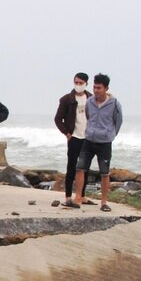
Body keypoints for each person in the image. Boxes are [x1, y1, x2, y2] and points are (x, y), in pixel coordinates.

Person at [71, 73, 123, 212]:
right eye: (94, 87)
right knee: (80, 168)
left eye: (99, 88)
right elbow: (88, 116)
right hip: (89, 140)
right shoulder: (90, 102)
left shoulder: (114, 104)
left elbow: (118, 122)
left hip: (104, 142)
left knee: (104, 173)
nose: (95, 90)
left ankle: (104, 202)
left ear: (106, 88)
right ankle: (77, 198)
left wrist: (110, 135)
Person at [54, 72, 90, 207]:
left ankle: (81, 196)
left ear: (86, 84)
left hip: (88, 138)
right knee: (72, 167)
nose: (78, 85)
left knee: (85, 168)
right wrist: (67, 133)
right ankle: (68, 196)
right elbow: (58, 119)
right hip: (74, 137)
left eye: (81, 83)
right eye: (76, 82)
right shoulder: (66, 99)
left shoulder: (91, 99)